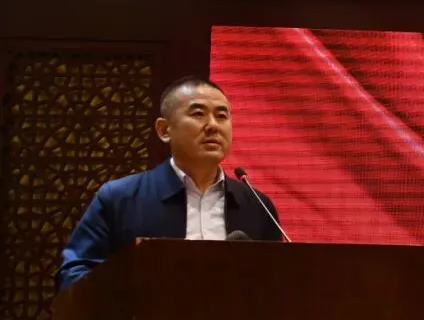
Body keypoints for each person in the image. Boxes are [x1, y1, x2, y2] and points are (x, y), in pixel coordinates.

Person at [55, 75, 283, 291]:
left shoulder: (257, 206)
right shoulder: (119, 198)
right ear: (164, 130)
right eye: (198, 114)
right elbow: (73, 276)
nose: (213, 125)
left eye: (222, 116)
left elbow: (277, 281)